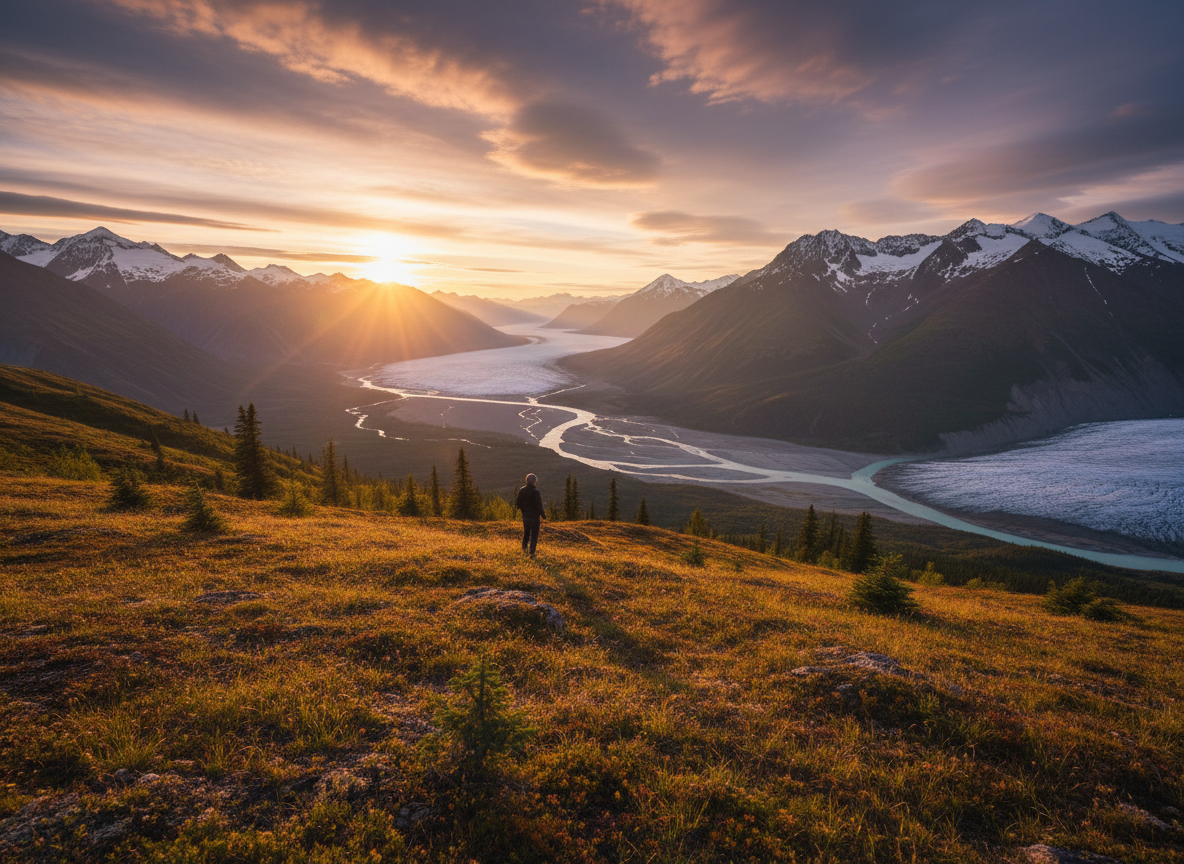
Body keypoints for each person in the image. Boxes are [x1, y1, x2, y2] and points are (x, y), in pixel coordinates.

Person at [515, 473, 545, 558]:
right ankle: (532, 552)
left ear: (526, 481)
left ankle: (524, 548)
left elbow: (518, 504)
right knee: (534, 535)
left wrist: (523, 510)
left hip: (526, 515)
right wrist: (543, 515)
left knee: (526, 533)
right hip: (535, 517)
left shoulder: (521, 490)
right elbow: (539, 505)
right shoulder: (536, 492)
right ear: (535, 482)